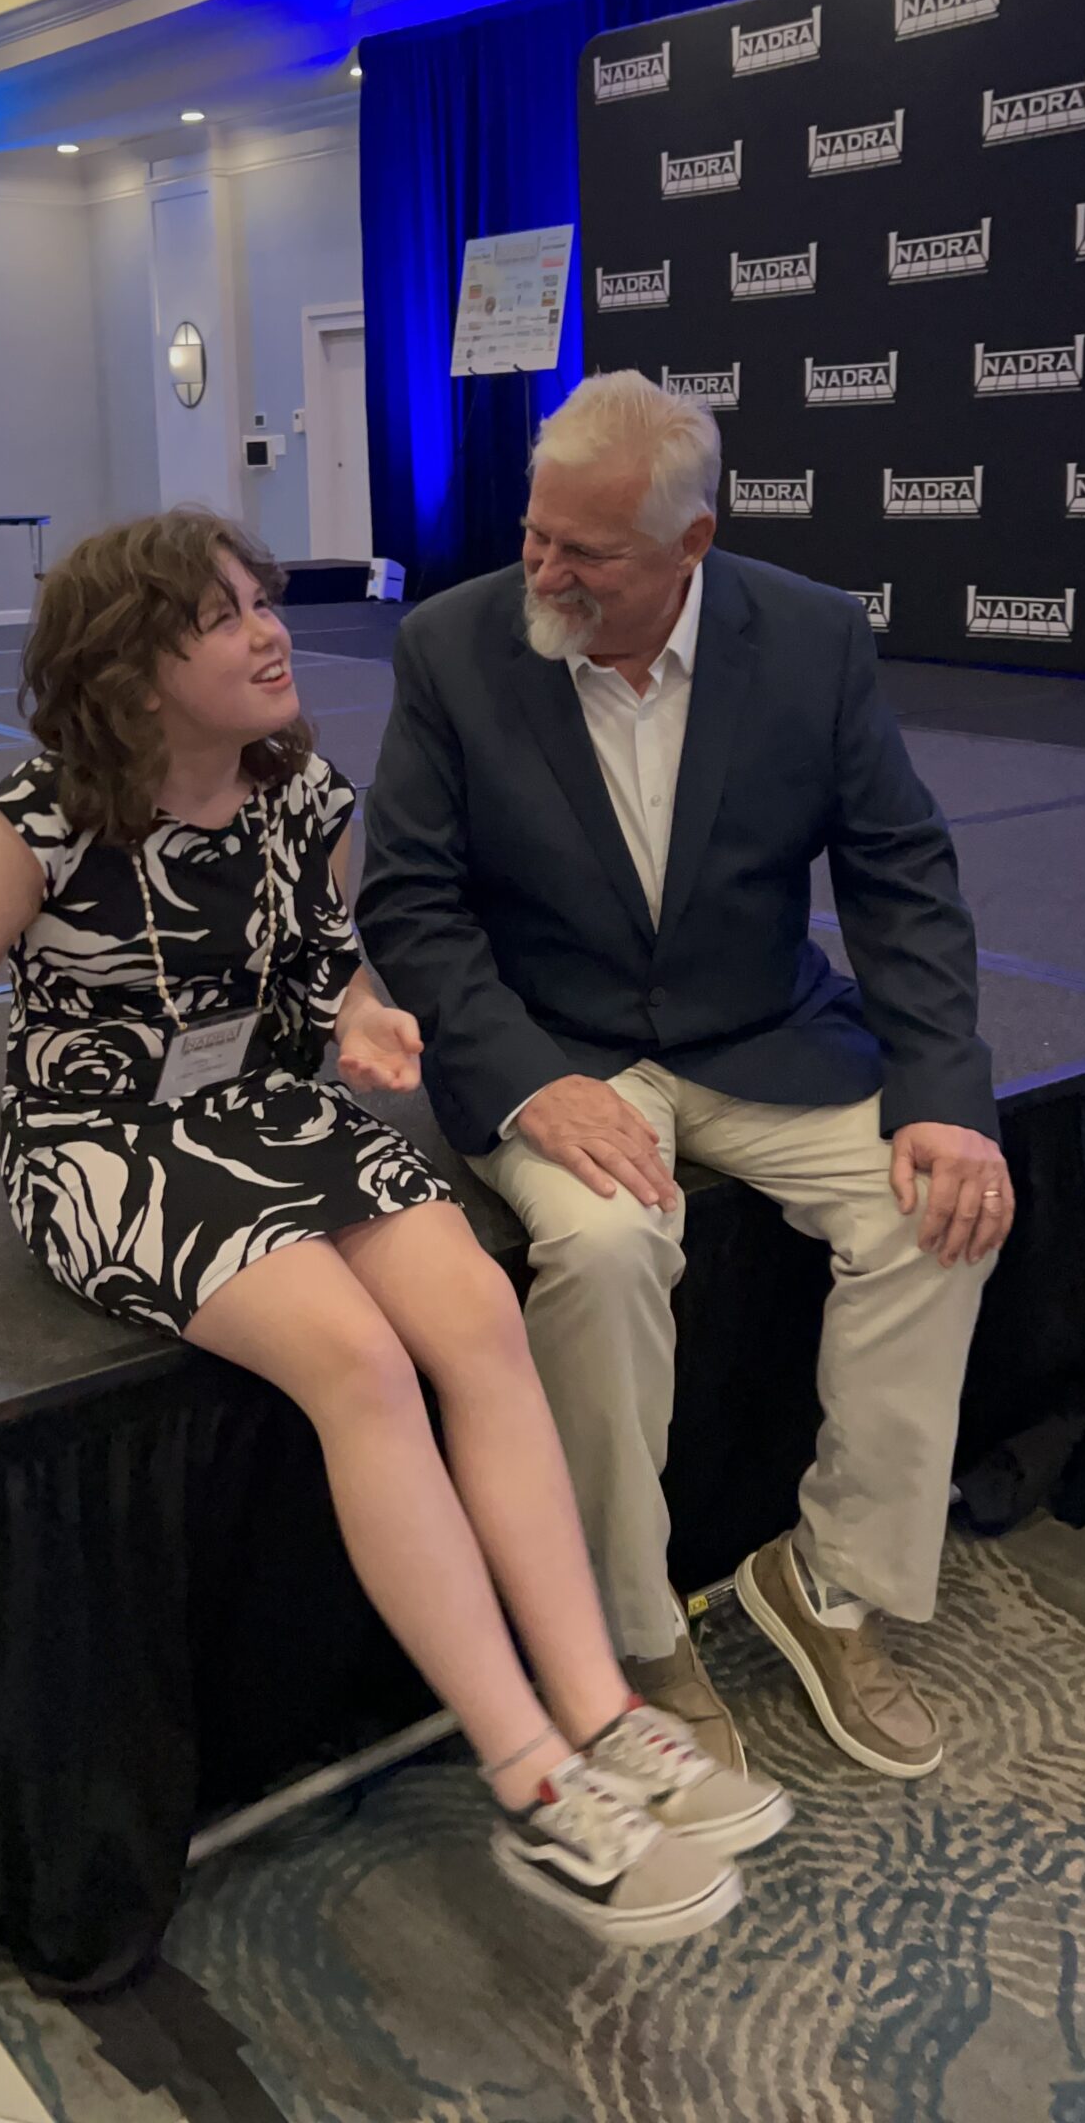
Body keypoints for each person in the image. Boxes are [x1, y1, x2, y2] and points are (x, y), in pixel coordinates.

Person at [0, 509, 794, 1948]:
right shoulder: (35, 824)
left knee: (479, 1316)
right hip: (104, 1143)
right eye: (223, 618)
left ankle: (602, 1708)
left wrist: (367, 1019)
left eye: (262, 602)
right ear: (130, 672)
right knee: (358, 1363)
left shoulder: (305, 794)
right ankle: (533, 1774)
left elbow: (328, 969)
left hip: (271, 1115)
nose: (271, 633)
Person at [358, 371, 1015, 1783]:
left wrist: (948, 1098)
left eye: (586, 553)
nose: (544, 572)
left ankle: (829, 1583)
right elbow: (408, 901)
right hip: (555, 1048)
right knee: (603, 1248)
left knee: (940, 1211)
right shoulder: (453, 646)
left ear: (692, 544)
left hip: (763, 1032)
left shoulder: (812, 639)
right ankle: (628, 1630)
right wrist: (527, 1083)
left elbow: (901, 875)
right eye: (535, 534)